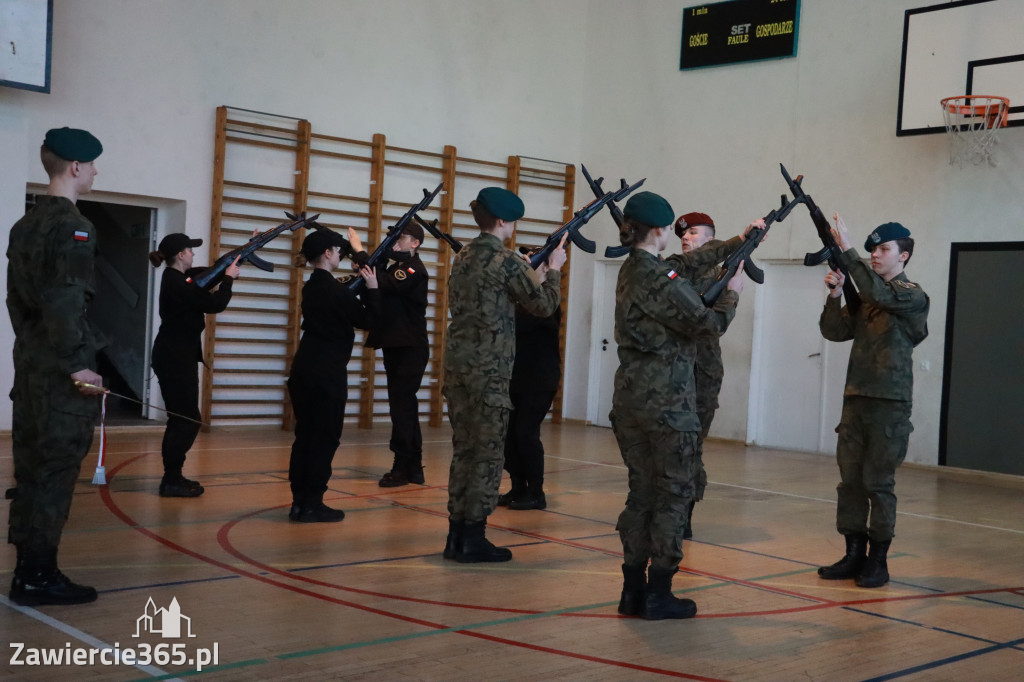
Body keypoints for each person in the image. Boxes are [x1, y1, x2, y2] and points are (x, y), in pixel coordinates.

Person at [611, 191, 757, 620]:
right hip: (669, 404)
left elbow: (688, 264)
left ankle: (632, 590)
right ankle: (659, 593)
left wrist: (739, 240)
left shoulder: (635, 268)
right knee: (674, 495)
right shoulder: (658, 277)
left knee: (641, 494)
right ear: (660, 231)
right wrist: (732, 293)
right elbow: (706, 324)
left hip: (632, 399)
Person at [7, 127, 107, 605]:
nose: (93, 173)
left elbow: (15, 301)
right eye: (91, 166)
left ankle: (27, 571)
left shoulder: (24, 225)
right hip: (59, 374)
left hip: (29, 365)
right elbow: (66, 300)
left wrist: (34, 349)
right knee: (54, 473)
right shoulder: (74, 226)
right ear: (74, 168)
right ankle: (39, 576)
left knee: (31, 471)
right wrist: (76, 365)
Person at [442, 187, 565, 563]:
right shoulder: (507, 260)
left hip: (458, 366)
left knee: (465, 451)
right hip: (489, 371)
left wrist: (531, 272)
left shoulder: (463, 256)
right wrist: (553, 272)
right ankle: (473, 537)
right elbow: (543, 305)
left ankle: (456, 534)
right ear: (502, 222)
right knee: (488, 455)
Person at [817, 215, 929, 588]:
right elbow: (835, 331)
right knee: (850, 482)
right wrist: (835, 296)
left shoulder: (910, 295)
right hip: (856, 401)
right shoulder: (868, 297)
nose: (875, 256)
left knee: (878, 483)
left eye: (883, 250)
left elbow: (877, 294)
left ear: (905, 256)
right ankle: (853, 554)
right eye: (872, 251)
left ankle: (877, 560)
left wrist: (848, 252)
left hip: (889, 405)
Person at [287, 228, 378, 522]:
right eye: (338, 251)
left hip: (305, 369)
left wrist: (356, 284)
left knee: (306, 437)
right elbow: (369, 320)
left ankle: (300, 501)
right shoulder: (334, 291)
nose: (340, 254)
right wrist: (372, 287)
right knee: (325, 438)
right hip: (327, 374)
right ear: (328, 253)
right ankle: (313, 502)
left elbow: (344, 303)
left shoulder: (313, 285)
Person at [149, 234, 240, 497]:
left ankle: (173, 476)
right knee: (186, 420)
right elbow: (215, 304)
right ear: (180, 255)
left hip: (177, 356)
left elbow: (205, 275)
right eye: (189, 250)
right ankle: (171, 478)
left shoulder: (180, 279)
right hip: (174, 358)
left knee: (183, 419)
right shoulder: (177, 283)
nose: (192, 254)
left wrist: (233, 259)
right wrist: (229, 279)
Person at [349, 223, 430, 488]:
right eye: (391, 237)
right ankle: (413, 467)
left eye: (400, 237)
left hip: (410, 347)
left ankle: (402, 467)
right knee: (403, 407)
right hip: (396, 345)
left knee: (402, 408)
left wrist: (361, 253)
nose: (394, 241)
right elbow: (374, 287)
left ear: (415, 243)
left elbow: (386, 284)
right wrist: (370, 262)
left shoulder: (413, 269)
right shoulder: (394, 266)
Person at [665, 212, 727, 539]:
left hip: (701, 371)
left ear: (711, 239)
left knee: (690, 447)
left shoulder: (719, 272)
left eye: (693, 233)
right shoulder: (675, 271)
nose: (686, 239)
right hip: (671, 369)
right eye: (683, 235)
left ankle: (684, 514)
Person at [496, 302, 562, 510]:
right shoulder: (517, 301)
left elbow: (519, 324)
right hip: (516, 378)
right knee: (507, 435)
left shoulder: (545, 301)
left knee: (526, 433)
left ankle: (536, 492)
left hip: (540, 380)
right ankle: (518, 487)